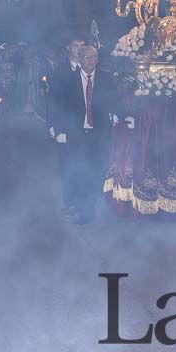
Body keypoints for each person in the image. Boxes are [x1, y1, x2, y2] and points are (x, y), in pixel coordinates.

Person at [51, 45, 124, 224]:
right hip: (77, 133)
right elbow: (59, 105)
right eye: (88, 57)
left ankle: (90, 200)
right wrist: (58, 129)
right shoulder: (69, 80)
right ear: (80, 59)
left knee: (98, 170)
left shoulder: (106, 79)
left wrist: (119, 115)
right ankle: (86, 211)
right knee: (82, 171)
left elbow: (115, 100)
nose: (92, 61)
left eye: (95, 57)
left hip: (99, 134)